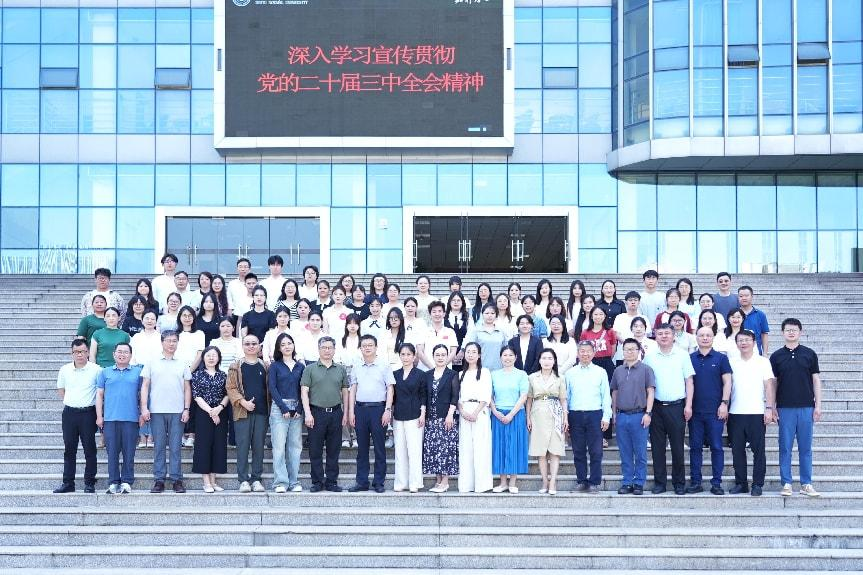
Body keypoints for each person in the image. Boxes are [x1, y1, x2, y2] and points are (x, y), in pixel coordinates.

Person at [769, 318, 822, 498]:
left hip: (806, 407)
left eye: (794, 330)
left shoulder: (809, 354)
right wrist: (772, 406)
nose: (791, 332)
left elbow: (816, 380)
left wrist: (818, 405)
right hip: (785, 408)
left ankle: (806, 483)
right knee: (785, 447)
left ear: (800, 332)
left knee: (805, 448)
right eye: (788, 330)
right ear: (782, 333)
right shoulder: (776, 356)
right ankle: (786, 483)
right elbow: (773, 383)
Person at [643, 323, 695, 495]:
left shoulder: (682, 355)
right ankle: (660, 483)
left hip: (677, 407)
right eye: (660, 333)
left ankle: (679, 483)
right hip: (656, 407)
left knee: (678, 447)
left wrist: (688, 405)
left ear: (673, 336)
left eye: (667, 333)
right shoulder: (649, 357)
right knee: (657, 448)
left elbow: (689, 381)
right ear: (655, 336)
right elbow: (646, 384)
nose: (664, 336)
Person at [140, 330, 192, 494]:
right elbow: (145, 386)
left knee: (176, 447)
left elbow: (187, 388)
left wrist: (186, 409)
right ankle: (159, 480)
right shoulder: (152, 361)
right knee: (159, 446)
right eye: (168, 340)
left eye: (174, 341)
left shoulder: (182, 362)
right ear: (162, 342)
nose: (171, 344)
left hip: (177, 411)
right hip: (156, 410)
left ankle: (176, 479)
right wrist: (144, 407)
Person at [728, 330, 774, 496]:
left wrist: (769, 408)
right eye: (740, 340)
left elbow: (769, 386)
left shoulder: (763, 362)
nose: (744, 343)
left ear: (754, 342)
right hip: (735, 412)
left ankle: (757, 484)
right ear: (736, 343)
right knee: (737, 451)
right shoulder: (731, 362)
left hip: (756, 412)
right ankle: (741, 483)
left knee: (758, 451)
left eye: (747, 340)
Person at [300, 336, 349, 492]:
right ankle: (317, 482)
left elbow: (345, 392)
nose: (327, 350)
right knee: (315, 449)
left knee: (334, 449)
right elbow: (304, 392)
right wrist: (308, 413)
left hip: (336, 413)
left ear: (334, 350)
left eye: (330, 347)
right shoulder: (310, 369)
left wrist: (345, 413)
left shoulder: (340, 369)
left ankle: (331, 481)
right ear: (319, 349)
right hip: (316, 413)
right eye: (324, 347)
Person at [687, 326, 732, 495]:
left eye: (708, 335)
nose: (705, 338)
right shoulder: (690, 358)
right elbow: (687, 383)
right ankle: (695, 482)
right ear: (696, 338)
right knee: (695, 447)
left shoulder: (721, 358)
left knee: (716, 447)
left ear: (713, 337)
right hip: (695, 412)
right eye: (701, 335)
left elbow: (727, 382)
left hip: (715, 411)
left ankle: (716, 483)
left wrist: (724, 403)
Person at [348, 335, 395, 493]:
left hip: (379, 410)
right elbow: (353, 389)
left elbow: (390, 388)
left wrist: (387, 410)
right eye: (364, 345)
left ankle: (379, 482)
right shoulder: (356, 366)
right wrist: (351, 411)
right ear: (360, 348)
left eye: (370, 345)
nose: (367, 348)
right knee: (362, 448)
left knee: (380, 448)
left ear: (376, 347)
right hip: (360, 409)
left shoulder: (384, 365)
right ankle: (362, 482)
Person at [54, 338, 102, 494]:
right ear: (72, 353)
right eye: (76, 352)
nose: (79, 355)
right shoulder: (65, 370)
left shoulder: (96, 370)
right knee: (69, 449)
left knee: (90, 449)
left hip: (88, 413)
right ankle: (68, 483)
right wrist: (72, 402)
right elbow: (61, 390)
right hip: (69, 414)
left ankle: (90, 483)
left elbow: (101, 392)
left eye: (82, 351)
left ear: (88, 352)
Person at [611, 339, 655, 495]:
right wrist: (614, 413)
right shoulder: (618, 371)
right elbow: (614, 392)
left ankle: (639, 482)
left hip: (639, 415)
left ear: (639, 351)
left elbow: (650, 392)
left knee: (640, 452)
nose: (629, 352)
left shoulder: (646, 369)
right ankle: (627, 482)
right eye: (626, 349)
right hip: (622, 416)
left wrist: (648, 413)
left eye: (632, 349)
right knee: (625, 452)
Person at [566, 341, 611, 493]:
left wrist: (606, 416)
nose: (585, 354)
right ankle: (581, 481)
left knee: (596, 450)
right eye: (582, 351)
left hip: (595, 414)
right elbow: (567, 396)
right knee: (578, 450)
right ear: (577, 353)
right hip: (575, 414)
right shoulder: (570, 373)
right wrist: (566, 417)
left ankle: (594, 482)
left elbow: (606, 396)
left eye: (588, 351)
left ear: (594, 353)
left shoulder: (600, 372)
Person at [96, 343, 142, 494]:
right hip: (110, 419)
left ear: (131, 355)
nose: (122, 354)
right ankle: (113, 481)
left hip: (131, 419)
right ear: (114, 354)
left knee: (129, 453)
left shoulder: (138, 372)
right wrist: (99, 416)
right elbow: (99, 395)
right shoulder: (105, 372)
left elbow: (143, 395)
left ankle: (127, 481)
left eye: (126, 352)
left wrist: (142, 413)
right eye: (119, 352)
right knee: (112, 453)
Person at [227, 335, 269, 493]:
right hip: (242, 412)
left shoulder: (265, 366)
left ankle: (256, 479)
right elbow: (230, 387)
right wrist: (243, 402)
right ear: (243, 346)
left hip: (262, 412)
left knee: (259, 447)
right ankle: (243, 480)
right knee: (243, 446)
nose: (251, 346)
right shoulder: (236, 366)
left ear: (259, 346)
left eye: (254, 343)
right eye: (247, 344)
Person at [527, 348, 568, 495]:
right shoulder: (532, 377)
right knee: (541, 451)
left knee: (555, 450)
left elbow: (563, 399)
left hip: (555, 413)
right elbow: (529, 399)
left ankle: (553, 481)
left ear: (554, 361)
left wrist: (565, 417)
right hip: (538, 413)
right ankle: (545, 481)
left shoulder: (560, 377)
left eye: (550, 358)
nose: (547, 361)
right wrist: (528, 417)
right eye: (544, 358)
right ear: (539, 360)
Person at [268, 333, 305, 493]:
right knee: (279, 447)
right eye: (283, 344)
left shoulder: (300, 367)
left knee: (295, 447)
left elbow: (304, 389)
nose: (287, 346)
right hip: (279, 408)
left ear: (294, 345)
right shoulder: (275, 366)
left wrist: (299, 408)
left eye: (289, 343)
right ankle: (280, 482)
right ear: (278, 348)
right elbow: (272, 388)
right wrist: (283, 408)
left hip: (297, 408)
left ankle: (294, 481)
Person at [490, 346, 529, 493]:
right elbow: (489, 395)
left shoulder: (522, 374)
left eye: (511, 355)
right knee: (500, 447)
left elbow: (523, 396)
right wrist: (495, 411)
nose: (507, 358)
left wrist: (511, 414)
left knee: (514, 446)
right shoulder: (494, 374)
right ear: (500, 357)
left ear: (516, 357)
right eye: (505, 355)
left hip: (516, 413)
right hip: (498, 414)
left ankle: (512, 482)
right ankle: (502, 483)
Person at [422, 344, 460, 493]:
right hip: (431, 419)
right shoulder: (427, 375)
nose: (440, 357)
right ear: (433, 356)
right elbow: (424, 396)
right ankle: (438, 481)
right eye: (437, 355)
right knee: (433, 450)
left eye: (443, 355)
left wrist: (450, 414)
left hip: (446, 418)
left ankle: (445, 482)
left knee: (446, 450)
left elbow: (455, 396)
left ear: (448, 356)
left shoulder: (452, 374)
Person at [191, 346, 229, 493]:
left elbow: (227, 394)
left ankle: (213, 481)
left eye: (214, 355)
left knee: (218, 446)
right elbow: (197, 396)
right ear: (203, 358)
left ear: (219, 358)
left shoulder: (223, 375)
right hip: (203, 413)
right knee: (204, 446)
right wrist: (211, 412)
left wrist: (219, 408)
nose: (211, 358)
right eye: (208, 355)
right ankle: (206, 482)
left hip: (221, 413)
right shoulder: (197, 375)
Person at [457, 342, 493, 494]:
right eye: (468, 352)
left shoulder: (485, 372)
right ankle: (466, 485)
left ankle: (482, 485)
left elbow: (486, 395)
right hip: (464, 412)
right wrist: (462, 412)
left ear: (479, 355)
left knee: (481, 448)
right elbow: (458, 397)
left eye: (474, 352)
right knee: (466, 449)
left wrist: (476, 413)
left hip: (480, 412)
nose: (470, 355)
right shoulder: (460, 374)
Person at [392, 343, 427, 493]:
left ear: (414, 356)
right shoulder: (395, 374)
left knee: (414, 451)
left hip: (415, 416)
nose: (405, 357)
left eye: (408, 354)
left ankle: (415, 483)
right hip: (398, 416)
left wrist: (423, 414)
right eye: (403, 354)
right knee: (400, 451)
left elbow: (424, 395)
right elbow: (392, 396)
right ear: (399, 356)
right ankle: (401, 483)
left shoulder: (421, 374)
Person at [418, 301, 458, 370]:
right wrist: (432, 368)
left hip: (445, 371)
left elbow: (453, 352)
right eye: (434, 312)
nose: (437, 314)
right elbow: (420, 352)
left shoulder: (450, 332)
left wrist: (441, 366)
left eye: (440, 311)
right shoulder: (423, 331)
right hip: (426, 370)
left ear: (444, 314)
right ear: (430, 314)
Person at [467, 303, 507, 372]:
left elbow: (505, 351)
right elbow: (471, 351)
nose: (489, 315)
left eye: (492, 313)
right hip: (480, 369)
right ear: (482, 315)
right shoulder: (476, 331)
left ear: (496, 315)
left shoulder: (501, 332)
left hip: (498, 369)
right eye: (487, 313)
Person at [612, 291, 647, 364]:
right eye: (630, 300)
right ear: (626, 302)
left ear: (639, 302)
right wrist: (628, 345)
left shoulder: (644, 318)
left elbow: (646, 335)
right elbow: (616, 333)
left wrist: (634, 346)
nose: (633, 302)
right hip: (621, 354)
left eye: (635, 300)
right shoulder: (620, 317)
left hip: (639, 355)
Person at [445, 291, 473, 372]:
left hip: (464, 354)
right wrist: (451, 354)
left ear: (462, 302)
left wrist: (462, 351)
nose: (456, 302)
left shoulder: (468, 318)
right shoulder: (444, 317)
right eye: (453, 300)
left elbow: (470, 334)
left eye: (458, 300)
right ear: (449, 302)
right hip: (446, 354)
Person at [738, 286, 770, 356]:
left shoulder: (760, 314)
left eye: (746, 295)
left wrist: (765, 353)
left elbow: (764, 334)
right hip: (737, 352)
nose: (744, 298)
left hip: (756, 353)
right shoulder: (734, 315)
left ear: (752, 297)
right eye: (741, 296)